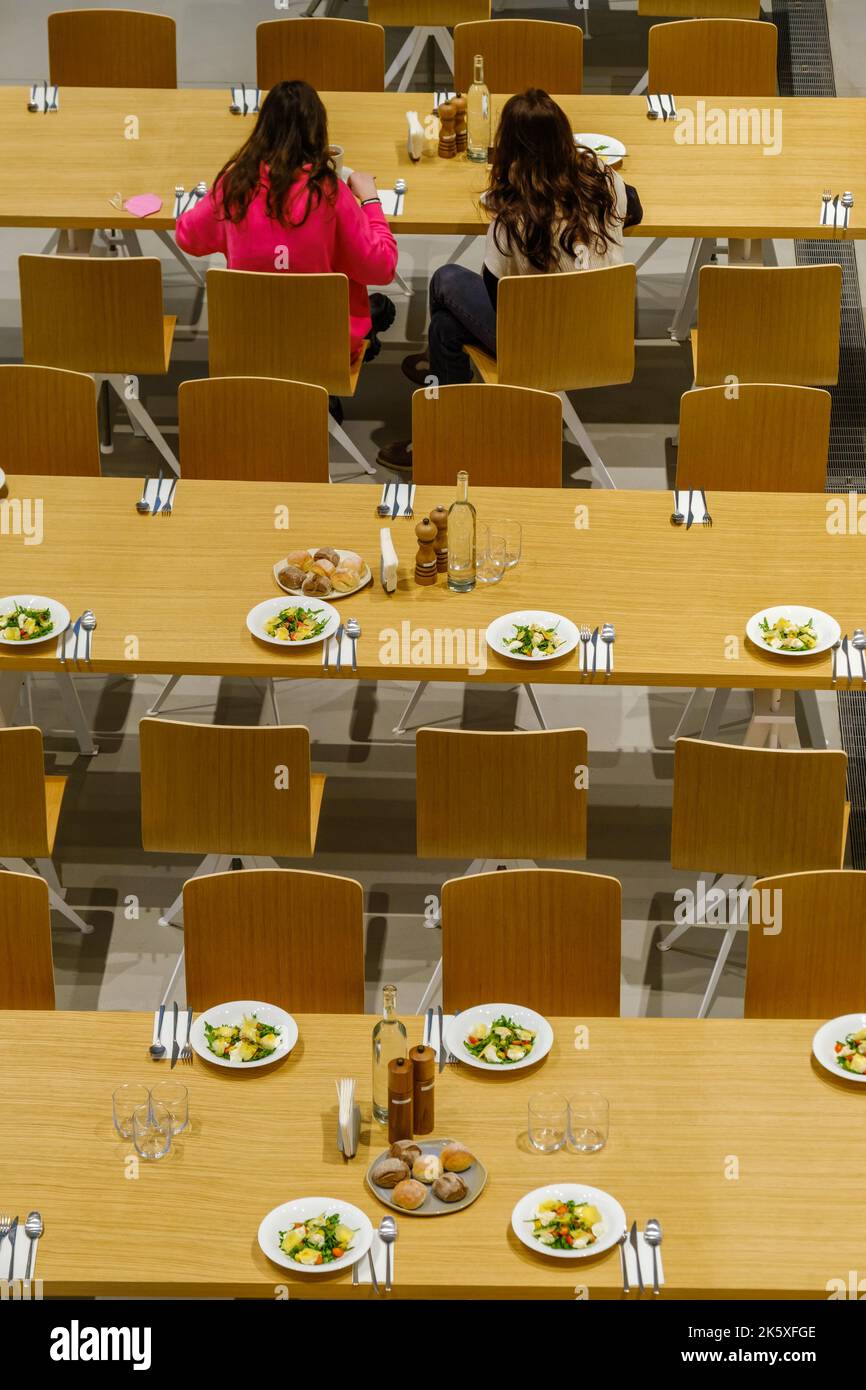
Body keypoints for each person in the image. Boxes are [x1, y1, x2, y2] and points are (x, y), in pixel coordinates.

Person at [377, 87, 643, 470]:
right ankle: (439, 369)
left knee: (445, 285)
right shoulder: (605, 180)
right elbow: (634, 208)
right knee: (444, 329)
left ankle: (443, 428)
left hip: (539, 347)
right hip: (603, 336)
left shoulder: (513, 221)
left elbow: (499, 302)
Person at [176, 79, 399, 405]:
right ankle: (328, 378)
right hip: (322, 349)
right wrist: (370, 202)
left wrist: (220, 196)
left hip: (246, 346)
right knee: (369, 300)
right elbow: (382, 267)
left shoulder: (235, 186)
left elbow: (187, 236)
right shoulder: (330, 193)